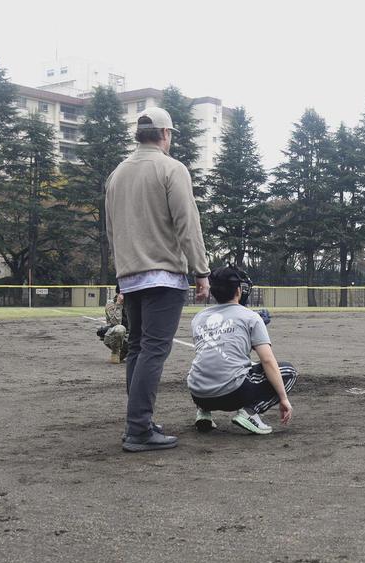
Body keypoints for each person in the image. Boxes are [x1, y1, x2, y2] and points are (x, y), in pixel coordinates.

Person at [105, 106, 210, 452]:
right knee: (153, 349)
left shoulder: (117, 174)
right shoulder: (171, 168)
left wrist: (121, 274)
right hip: (163, 276)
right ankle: (138, 428)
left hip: (130, 275)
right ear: (166, 134)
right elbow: (187, 224)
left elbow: (112, 231)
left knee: (136, 347)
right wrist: (201, 271)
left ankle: (139, 421)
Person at [187, 266, 296, 435]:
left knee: (208, 361)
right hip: (233, 395)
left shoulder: (198, 318)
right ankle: (250, 413)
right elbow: (267, 360)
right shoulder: (251, 317)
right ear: (238, 290)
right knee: (288, 371)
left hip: (198, 393)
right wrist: (283, 399)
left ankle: (203, 413)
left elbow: (218, 345)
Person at [97, 286, 129, 363]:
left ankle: (125, 353)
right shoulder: (111, 304)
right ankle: (116, 352)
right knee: (119, 329)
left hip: (132, 338)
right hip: (116, 337)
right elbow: (115, 323)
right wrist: (118, 305)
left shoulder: (134, 303)